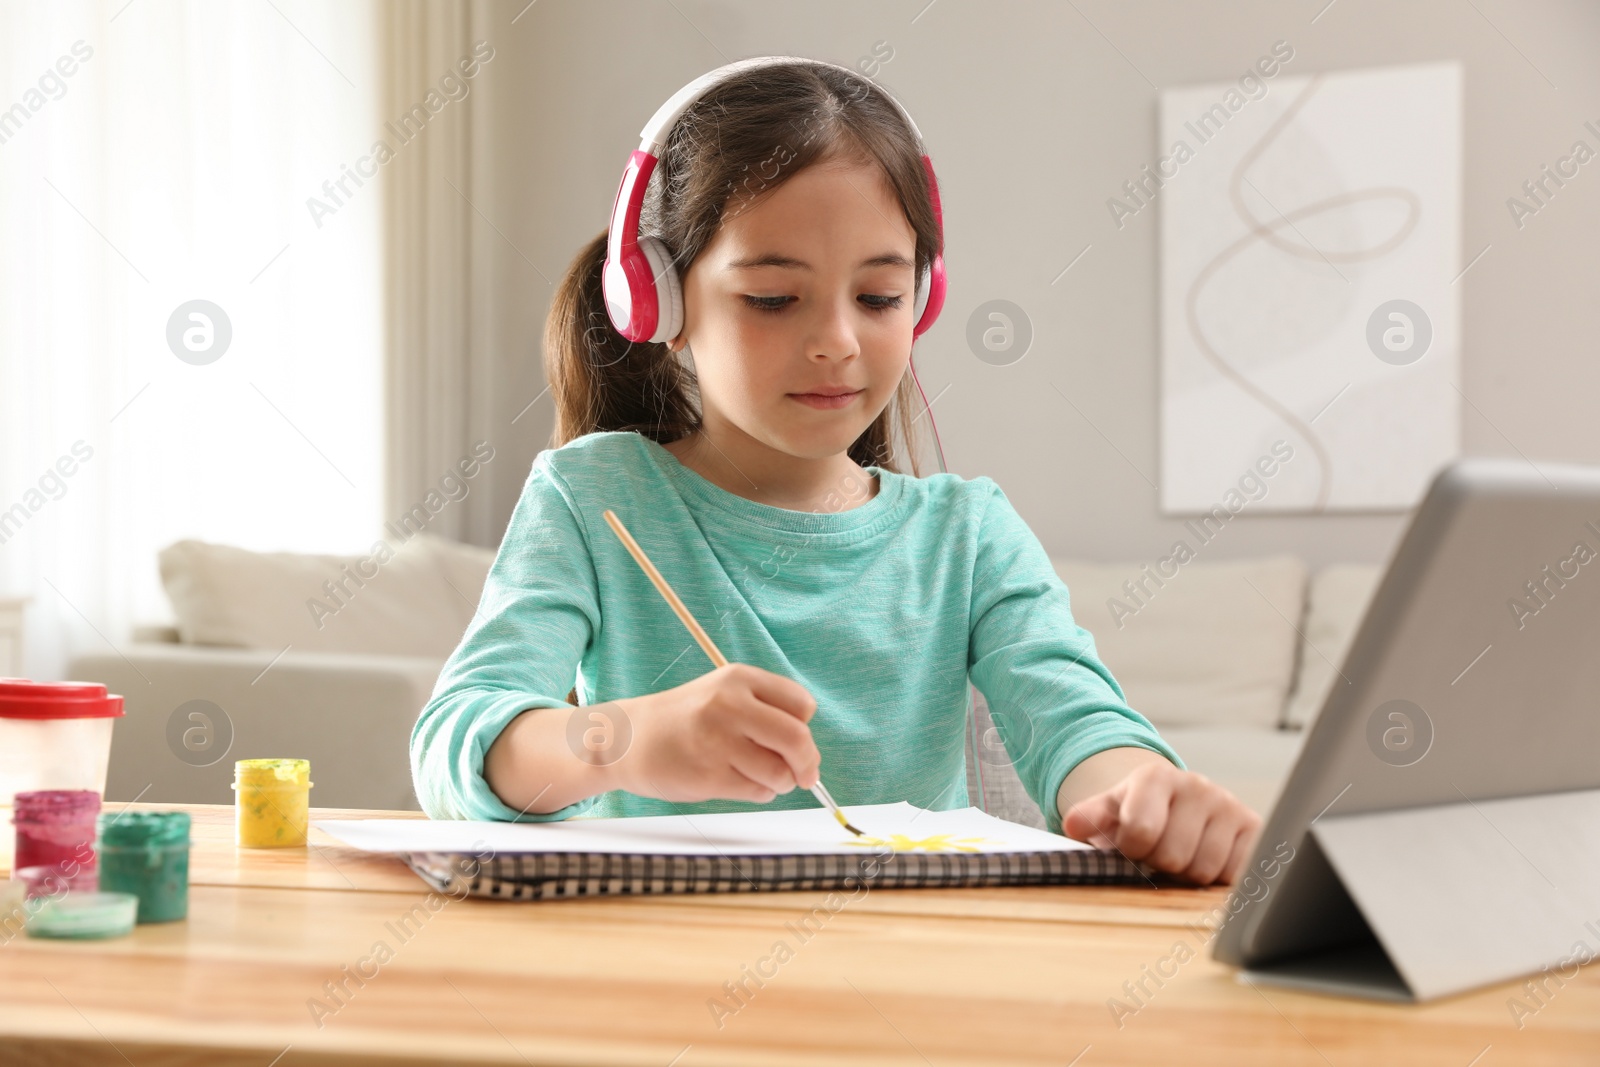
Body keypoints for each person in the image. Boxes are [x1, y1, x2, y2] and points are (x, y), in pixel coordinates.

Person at [410, 58, 1261, 885]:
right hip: (656, 974)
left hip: (909, 976)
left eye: (880, 298)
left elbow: (1078, 726)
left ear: (921, 300)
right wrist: (621, 738)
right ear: (658, 299)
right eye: (774, 299)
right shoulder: (593, 499)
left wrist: (1143, 795)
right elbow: (452, 745)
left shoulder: (969, 534)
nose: (838, 342)